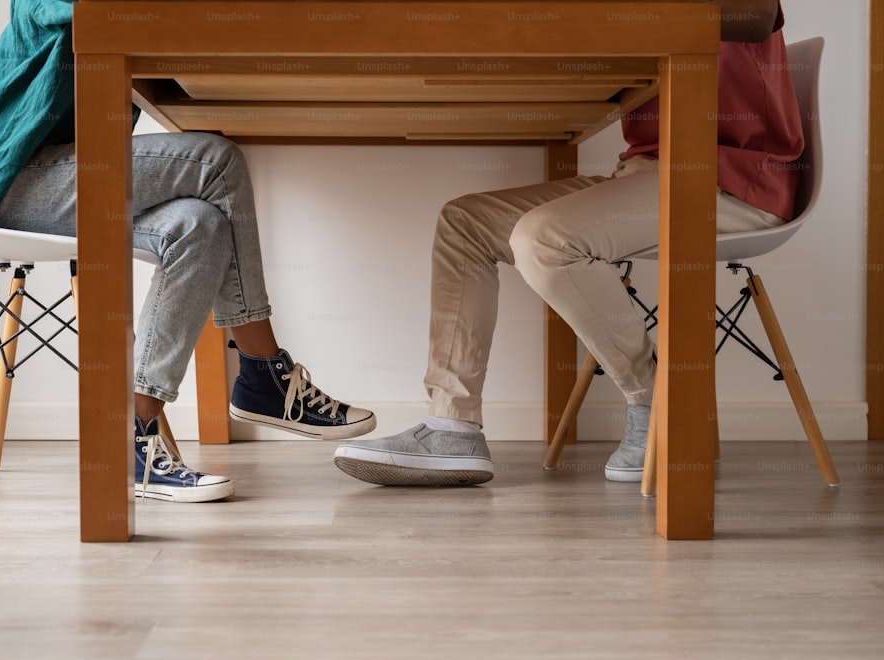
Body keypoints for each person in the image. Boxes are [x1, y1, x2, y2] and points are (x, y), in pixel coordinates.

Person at [333, 0, 802, 486]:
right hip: (642, 174)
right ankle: (453, 426)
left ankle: (656, 398)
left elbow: (758, 15)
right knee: (465, 222)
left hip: (731, 180)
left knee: (544, 240)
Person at [0, 0, 376, 503]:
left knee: (202, 225)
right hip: (5, 180)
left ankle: (135, 440)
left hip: (49, 171)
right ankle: (264, 370)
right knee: (218, 161)